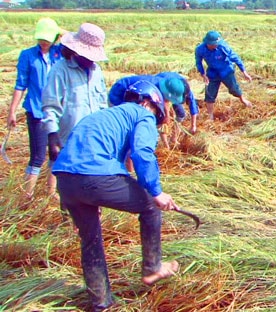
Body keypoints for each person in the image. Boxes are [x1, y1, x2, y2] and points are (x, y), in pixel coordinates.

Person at [52, 80, 180, 311]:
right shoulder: (143, 114)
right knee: (150, 205)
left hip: (65, 180)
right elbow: (142, 153)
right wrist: (156, 191)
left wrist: (93, 194)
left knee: (90, 240)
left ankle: (101, 302)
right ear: (148, 102)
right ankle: (153, 267)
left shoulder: (104, 116)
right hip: (94, 177)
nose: (155, 118)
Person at [7, 18, 64, 199]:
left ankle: (51, 191)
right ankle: (27, 194)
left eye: (47, 38)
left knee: (55, 152)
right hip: (36, 112)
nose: (44, 42)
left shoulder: (59, 53)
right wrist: (12, 111)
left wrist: (59, 31)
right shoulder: (27, 55)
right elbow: (20, 84)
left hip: (56, 112)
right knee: (38, 156)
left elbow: (74, 39)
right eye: (41, 38)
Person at [42, 23, 108, 162]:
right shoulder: (60, 71)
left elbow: (102, 106)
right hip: (68, 142)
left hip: (94, 141)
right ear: (75, 51)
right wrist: (52, 136)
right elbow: (50, 106)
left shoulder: (97, 72)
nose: (91, 60)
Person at [109, 72, 199, 134]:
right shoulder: (152, 91)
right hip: (119, 92)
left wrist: (193, 125)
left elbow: (167, 101)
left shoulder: (179, 87)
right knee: (126, 124)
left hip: (138, 93)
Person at [195, 30, 253, 120]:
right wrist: (203, 74)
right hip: (212, 72)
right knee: (209, 94)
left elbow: (235, 58)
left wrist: (244, 72)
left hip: (226, 70)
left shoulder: (223, 46)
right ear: (208, 43)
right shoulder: (200, 49)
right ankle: (210, 115)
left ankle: (243, 99)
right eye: (214, 44)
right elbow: (198, 62)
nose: (216, 45)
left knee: (234, 89)